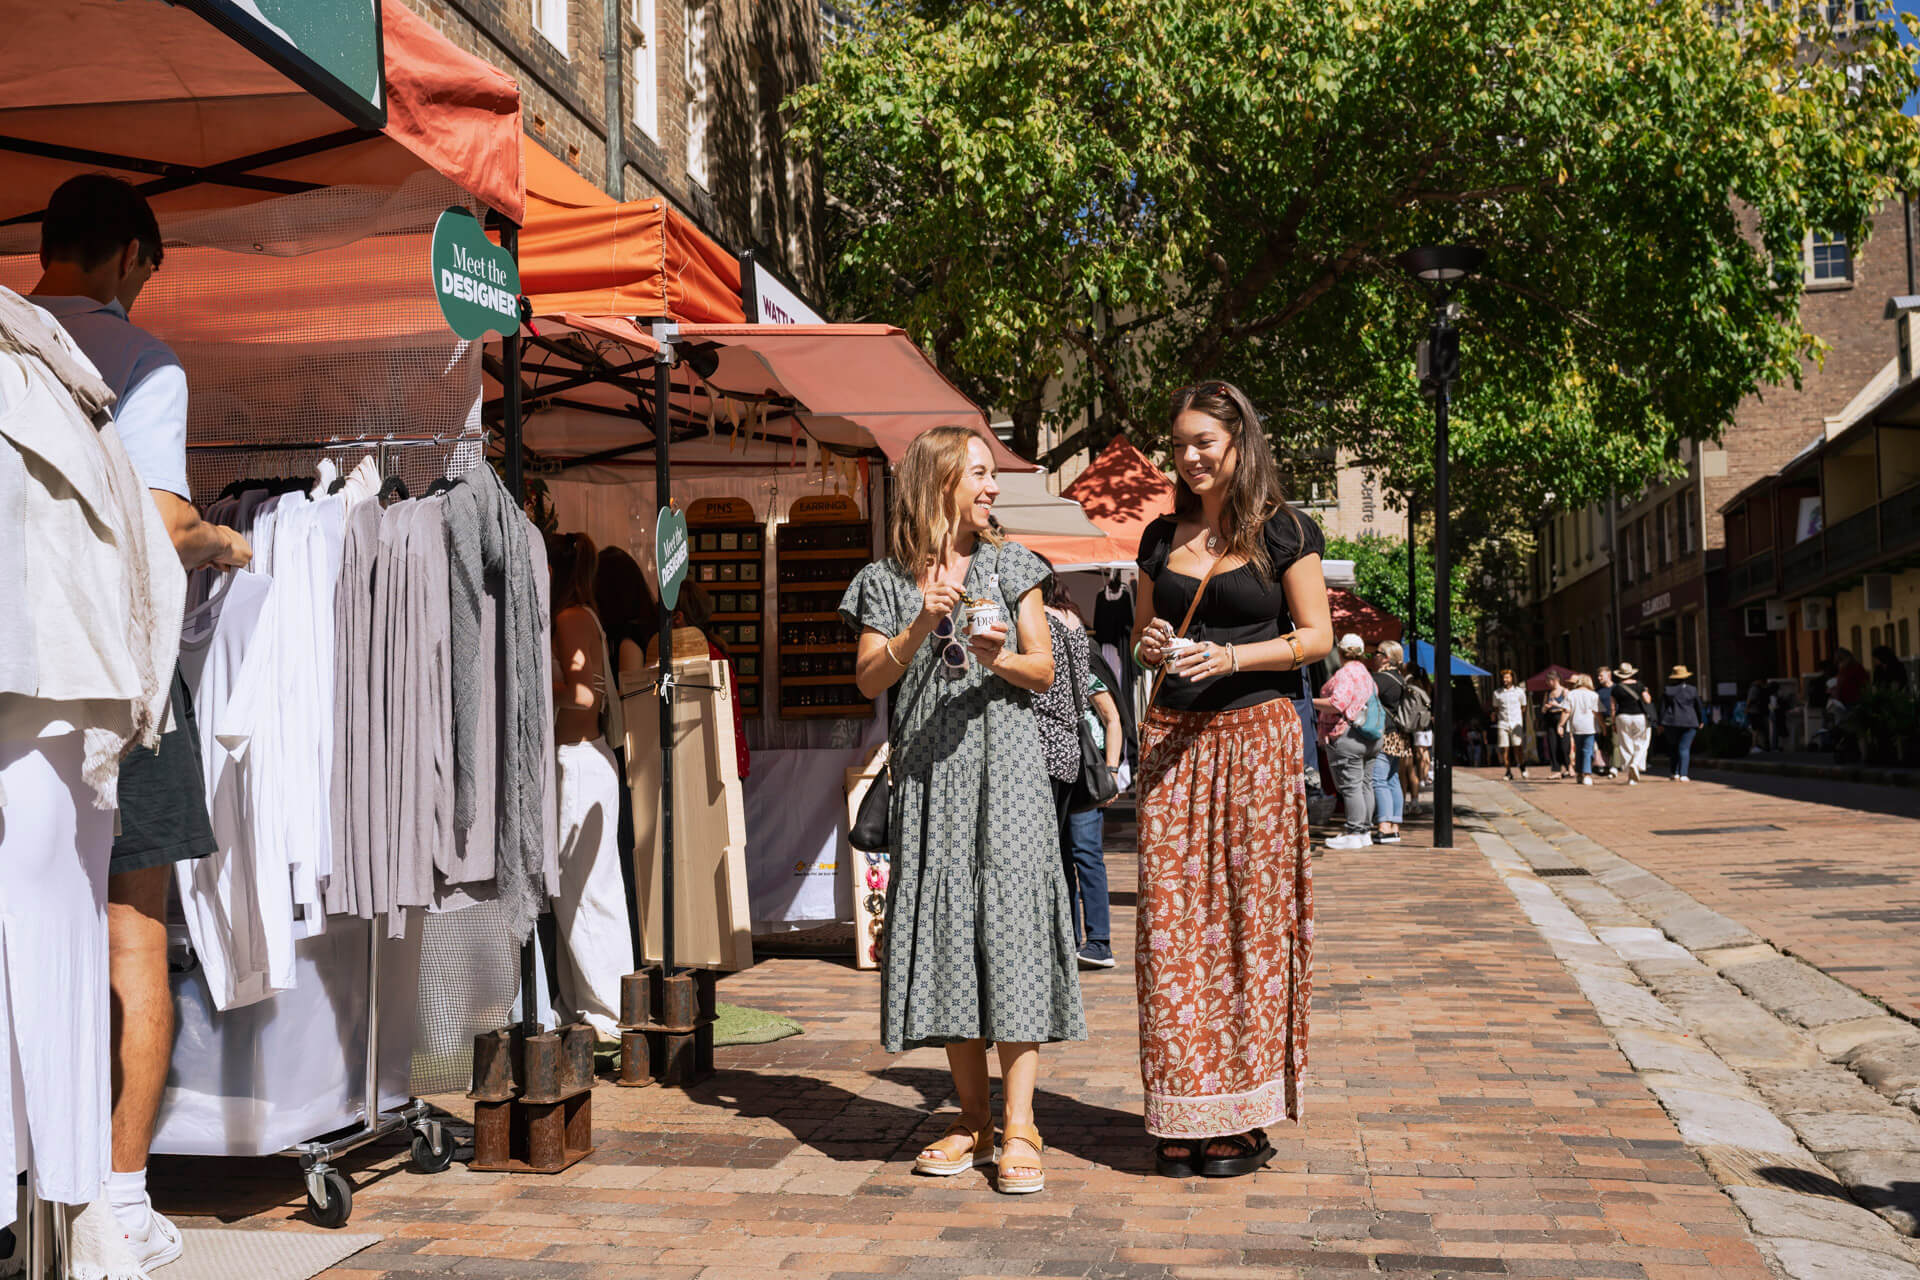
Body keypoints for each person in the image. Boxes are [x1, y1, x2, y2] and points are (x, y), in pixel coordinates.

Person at [29, 173, 252, 1271]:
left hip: (16, 677)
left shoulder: (11, 342)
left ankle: (41, 1179)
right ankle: (117, 1197)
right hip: (122, 681)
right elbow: (161, 526)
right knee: (132, 940)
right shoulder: (143, 361)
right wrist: (219, 538)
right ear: (125, 256)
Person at [843, 425, 1083, 1195]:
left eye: (991, 476)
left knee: (1010, 937)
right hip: (930, 784)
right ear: (938, 480)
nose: (990, 488)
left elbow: (1044, 672)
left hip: (1008, 782)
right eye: (978, 473)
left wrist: (997, 657)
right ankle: (972, 1120)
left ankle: (1022, 1127)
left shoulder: (1016, 566)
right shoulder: (885, 579)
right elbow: (869, 681)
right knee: (949, 938)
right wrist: (922, 621)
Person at [1131, 380, 1331, 1179]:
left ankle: (1241, 1114)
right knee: (1172, 931)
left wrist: (1235, 657)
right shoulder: (1158, 535)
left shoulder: (1285, 530)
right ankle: (1182, 1112)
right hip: (1173, 738)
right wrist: (1153, 646)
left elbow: (1315, 638)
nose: (1188, 457)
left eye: (1203, 443)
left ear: (1239, 443)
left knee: (1252, 926)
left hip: (1258, 738)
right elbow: (1147, 635)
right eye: (1179, 443)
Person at [546, 533, 633, 1041]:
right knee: (583, 889)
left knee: (583, 891)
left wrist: (534, 679)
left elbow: (583, 696)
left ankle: (604, 1006)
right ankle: (589, 1001)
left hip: (578, 762)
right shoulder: (581, 616)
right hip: (584, 761)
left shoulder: (571, 618)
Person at [1029, 555, 1124, 971]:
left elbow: (1112, 715)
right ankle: (1066, 938)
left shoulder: (1074, 652)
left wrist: (1112, 768)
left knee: (1085, 852)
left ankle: (1099, 942)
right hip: (1052, 766)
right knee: (1060, 856)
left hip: (1083, 768)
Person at [595, 545, 659, 963]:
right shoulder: (651, 627)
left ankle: (636, 951)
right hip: (646, 757)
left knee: (625, 854)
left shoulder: (627, 639)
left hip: (627, 758)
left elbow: (628, 700)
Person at [1315, 634, 1381, 848]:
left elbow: (1337, 703)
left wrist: (1311, 701)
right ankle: (1364, 831)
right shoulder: (1366, 674)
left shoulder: (1345, 674)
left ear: (1341, 652)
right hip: (1370, 736)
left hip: (1348, 736)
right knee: (1365, 784)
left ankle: (1354, 832)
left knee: (1351, 786)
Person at [1370, 640, 1411, 845]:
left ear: (1386, 657)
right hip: (1399, 736)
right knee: (1393, 779)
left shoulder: (1380, 679)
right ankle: (1395, 826)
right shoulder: (1400, 679)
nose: (1373, 657)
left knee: (1379, 780)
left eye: (1376, 653)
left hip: (1384, 734)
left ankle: (1384, 826)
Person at [1610, 662, 1654, 784]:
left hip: (1622, 716)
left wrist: (1613, 723)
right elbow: (1647, 700)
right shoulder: (1640, 685)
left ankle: (1631, 777)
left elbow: (1613, 707)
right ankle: (1635, 764)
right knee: (1642, 742)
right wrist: (1646, 691)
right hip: (1639, 716)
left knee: (1626, 745)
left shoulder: (1616, 688)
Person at [1659, 664, 1704, 781]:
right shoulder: (1692, 690)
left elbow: (1662, 708)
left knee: (1673, 748)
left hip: (1671, 721)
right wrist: (1701, 720)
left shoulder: (1667, 690)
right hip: (1689, 721)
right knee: (1684, 748)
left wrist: (1660, 723)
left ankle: (1674, 772)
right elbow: (1698, 706)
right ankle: (1683, 773)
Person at [1491, 669, 1529, 780]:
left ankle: (1522, 766)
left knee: (1518, 747)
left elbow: (1523, 707)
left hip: (1516, 722)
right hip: (1503, 723)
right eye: (1503, 678)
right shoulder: (1497, 693)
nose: (1505, 680)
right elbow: (1496, 708)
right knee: (1504, 748)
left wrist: (1517, 717)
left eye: (1507, 677)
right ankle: (1508, 771)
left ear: (1512, 678)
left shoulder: (1519, 692)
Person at [1566, 674, 1600, 785]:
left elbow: (1566, 711)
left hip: (1576, 725)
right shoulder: (1593, 695)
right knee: (1587, 750)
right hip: (1589, 726)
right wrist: (1603, 725)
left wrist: (1560, 724)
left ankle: (1579, 774)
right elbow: (1597, 712)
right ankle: (1587, 774)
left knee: (1579, 750)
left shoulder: (1571, 694)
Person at [1408, 667, 1435, 803]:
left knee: (1420, 753)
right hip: (1427, 724)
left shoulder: (1414, 688)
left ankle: (1422, 776)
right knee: (1425, 752)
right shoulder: (1428, 688)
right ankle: (1425, 777)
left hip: (1418, 724)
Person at [1540, 674, 1572, 778]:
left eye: (1549, 681)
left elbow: (1569, 708)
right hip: (1550, 720)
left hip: (1562, 719)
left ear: (1556, 680)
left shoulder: (1565, 691)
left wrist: (1556, 705)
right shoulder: (1548, 693)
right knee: (1552, 745)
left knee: (1564, 745)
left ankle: (1569, 767)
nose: (1548, 683)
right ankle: (1556, 770)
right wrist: (1545, 707)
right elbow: (1542, 710)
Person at [1595, 665, 1618, 777]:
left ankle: (1614, 766)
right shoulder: (1597, 690)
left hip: (1615, 718)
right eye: (1598, 676)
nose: (1599, 678)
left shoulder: (1616, 688)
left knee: (1615, 742)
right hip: (1601, 719)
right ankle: (1606, 765)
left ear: (1609, 675)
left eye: (1601, 675)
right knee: (1604, 743)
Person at [1745, 678, 1775, 752]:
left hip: (1754, 712)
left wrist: (1746, 709)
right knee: (1763, 730)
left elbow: (1750, 700)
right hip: (1761, 711)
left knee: (1755, 730)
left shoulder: (1754, 689)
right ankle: (1765, 746)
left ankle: (1755, 745)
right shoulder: (1762, 689)